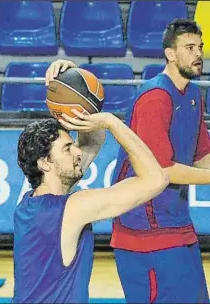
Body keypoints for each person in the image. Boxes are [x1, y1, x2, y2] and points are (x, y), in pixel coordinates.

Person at [46, 19, 210, 303]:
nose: (198, 54)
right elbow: (162, 170)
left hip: (177, 222)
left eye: (200, 47)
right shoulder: (155, 97)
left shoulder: (193, 94)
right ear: (170, 54)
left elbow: (201, 156)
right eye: (189, 47)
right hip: (143, 229)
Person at [13, 65, 170, 302]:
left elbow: (91, 142)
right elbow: (157, 179)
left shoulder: (27, 204)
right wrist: (113, 123)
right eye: (67, 148)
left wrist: (71, 77)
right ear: (45, 163)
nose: (76, 151)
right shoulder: (73, 208)